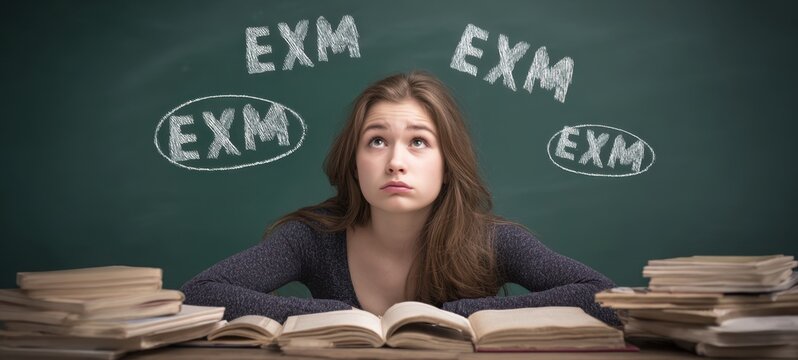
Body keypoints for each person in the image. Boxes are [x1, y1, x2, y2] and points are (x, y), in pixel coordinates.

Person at [181, 71, 620, 326]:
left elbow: (604, 297)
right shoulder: (311, 238)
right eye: (376, 142)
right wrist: (331, 316)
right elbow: (199, 293)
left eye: (418, 142)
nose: (395, 162)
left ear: (447, 162)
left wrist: (461, 315)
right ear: (354, 163)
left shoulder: (491, 241)